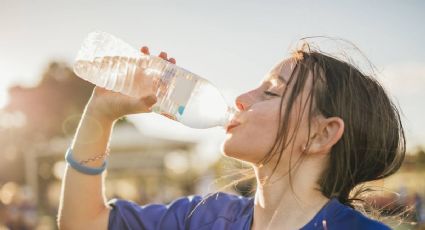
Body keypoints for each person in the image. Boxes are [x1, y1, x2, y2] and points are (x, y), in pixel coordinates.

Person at [57, 42, 405, 229]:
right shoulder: (207, 218)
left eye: (270, 92)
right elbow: (83, 222)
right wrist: (100, 117)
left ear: (321, 134)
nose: (241, 98)